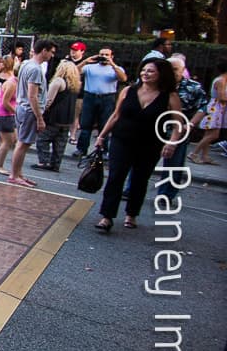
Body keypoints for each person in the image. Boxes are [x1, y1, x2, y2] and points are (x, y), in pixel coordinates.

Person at [93, 59, 183, 232]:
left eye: (150, 71)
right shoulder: (128, 91)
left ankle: (131, 214)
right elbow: (115, 115)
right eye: (144, 70)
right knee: (115, 177)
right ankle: (107, 216)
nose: (145, 74)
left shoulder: (170, 96)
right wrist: (102, 136)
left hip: (150, 143)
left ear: (161, 75)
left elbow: (177, 123)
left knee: (140, 179)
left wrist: (172, 143)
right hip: (122, 139)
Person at [8, 39, 56, 188]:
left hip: (23, 108)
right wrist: (39, 118)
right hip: (29, 110)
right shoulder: (35, 69)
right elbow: (32, 95)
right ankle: (15, 175)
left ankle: (18, 173)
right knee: (23, 143)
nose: (52, 55)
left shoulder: (26, 64)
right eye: (51, 52)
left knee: (23, 143)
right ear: (44, 51)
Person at [157, 55, 207, 197]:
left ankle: (167, 194)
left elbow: (202, 107)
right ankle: (130, 190)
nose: (172, 72)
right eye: (169, 69)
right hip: (156, 127)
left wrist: (191, 124)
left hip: (179, 130)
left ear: (183, 70)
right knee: (142, 160)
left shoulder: (193, 87)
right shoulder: (158, 84)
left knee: (174, 164)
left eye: (175, 69)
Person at [74, 47, 127, 157]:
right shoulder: (90, 67)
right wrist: (85, 61)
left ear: (112, 56)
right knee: (86, 124)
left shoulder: (117, 68)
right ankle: (81, 149)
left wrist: (112, 64)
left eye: (107, 55)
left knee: (104, 125)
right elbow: (74, 72)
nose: (103, 56)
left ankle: (103, 150)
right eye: (101, 54)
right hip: (90, 96)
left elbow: (123, 79)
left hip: (107, 97)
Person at [32, 57, 80, 173]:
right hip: (67, 118)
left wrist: (41, 113)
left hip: (54, 116)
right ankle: (55, 164)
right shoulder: (76, 84)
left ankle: (44, 161)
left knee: (43, 139)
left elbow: (48, 100)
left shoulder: (58, 81)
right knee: (60, 143)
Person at [190, 58, 227, 165]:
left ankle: (205, 156)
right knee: (214, 134)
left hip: (218, 108)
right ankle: (194, 153)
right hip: (216, 108)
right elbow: (222, 97)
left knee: (209, 134)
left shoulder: (222, 80)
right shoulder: (221, 81)